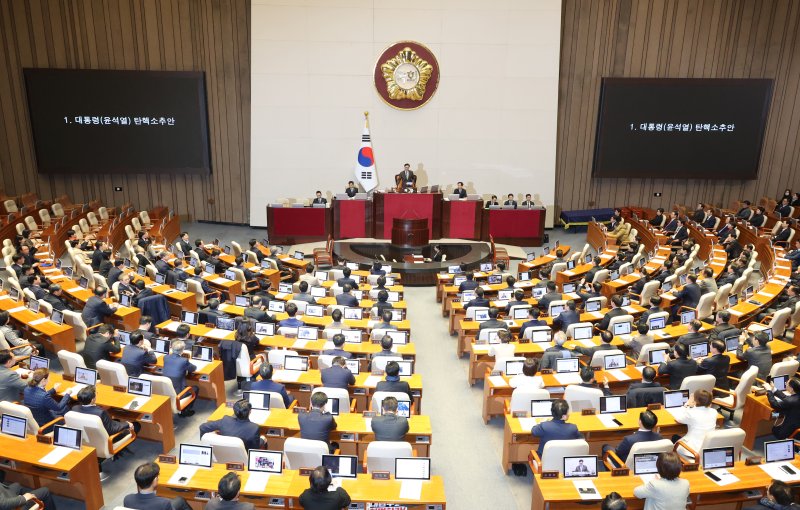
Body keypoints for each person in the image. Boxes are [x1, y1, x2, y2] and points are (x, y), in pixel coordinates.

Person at [74, 385, 140, 437]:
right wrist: (127, 424)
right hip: (108, 439)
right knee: (136, 425)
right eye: (95, 394)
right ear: (92, 400)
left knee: (117, 421)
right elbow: (111, 430)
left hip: (87, 437)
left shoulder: (74, 409)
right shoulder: (100, 413)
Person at [199, 399, 265, 450]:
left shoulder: (225, 420)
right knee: (264, 438)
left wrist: (206, 440)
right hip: (243, 458)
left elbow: (202, 427)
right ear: (250, 412)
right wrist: (262, 439)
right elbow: (254, 448)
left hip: (222, 453)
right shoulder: (254, 428)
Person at [124, 462, 192, 510]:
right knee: (180, 500)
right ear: (155, 480)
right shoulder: (164, 503)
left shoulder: (127, 499)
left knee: (179, 500)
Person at [672, 389, 718, 459]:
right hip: (708, 447)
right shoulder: (714, 412)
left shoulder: (691, 413)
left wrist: (687, 405)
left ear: (695, 400)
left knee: (673, 438)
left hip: (692, 450)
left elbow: (678, 418)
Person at [162, 340, 198, 416]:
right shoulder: (183, 361)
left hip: (166, 390)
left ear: (171, 348)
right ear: (182, 350)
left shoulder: (165, 357)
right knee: (195, 388)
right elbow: (193, 368)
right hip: (179, 392)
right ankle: (185, 411)